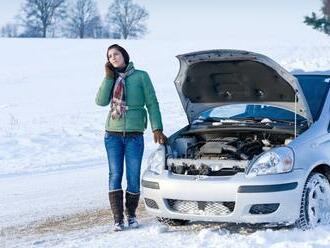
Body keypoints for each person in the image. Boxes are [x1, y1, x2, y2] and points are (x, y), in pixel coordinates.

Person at [95, 44, 167, 231]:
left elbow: (152, 102)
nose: (113, 58)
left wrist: (157, 127)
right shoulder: (112, 78)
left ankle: (132, 215)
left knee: (133, 176)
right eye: (110, 56)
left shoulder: (141, 76)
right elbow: (101, 101)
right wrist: (108, 78)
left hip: (134, 135)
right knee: (115, 174)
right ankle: (118, 219)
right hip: (112, 134)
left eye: (116, 54)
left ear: (124, 55)